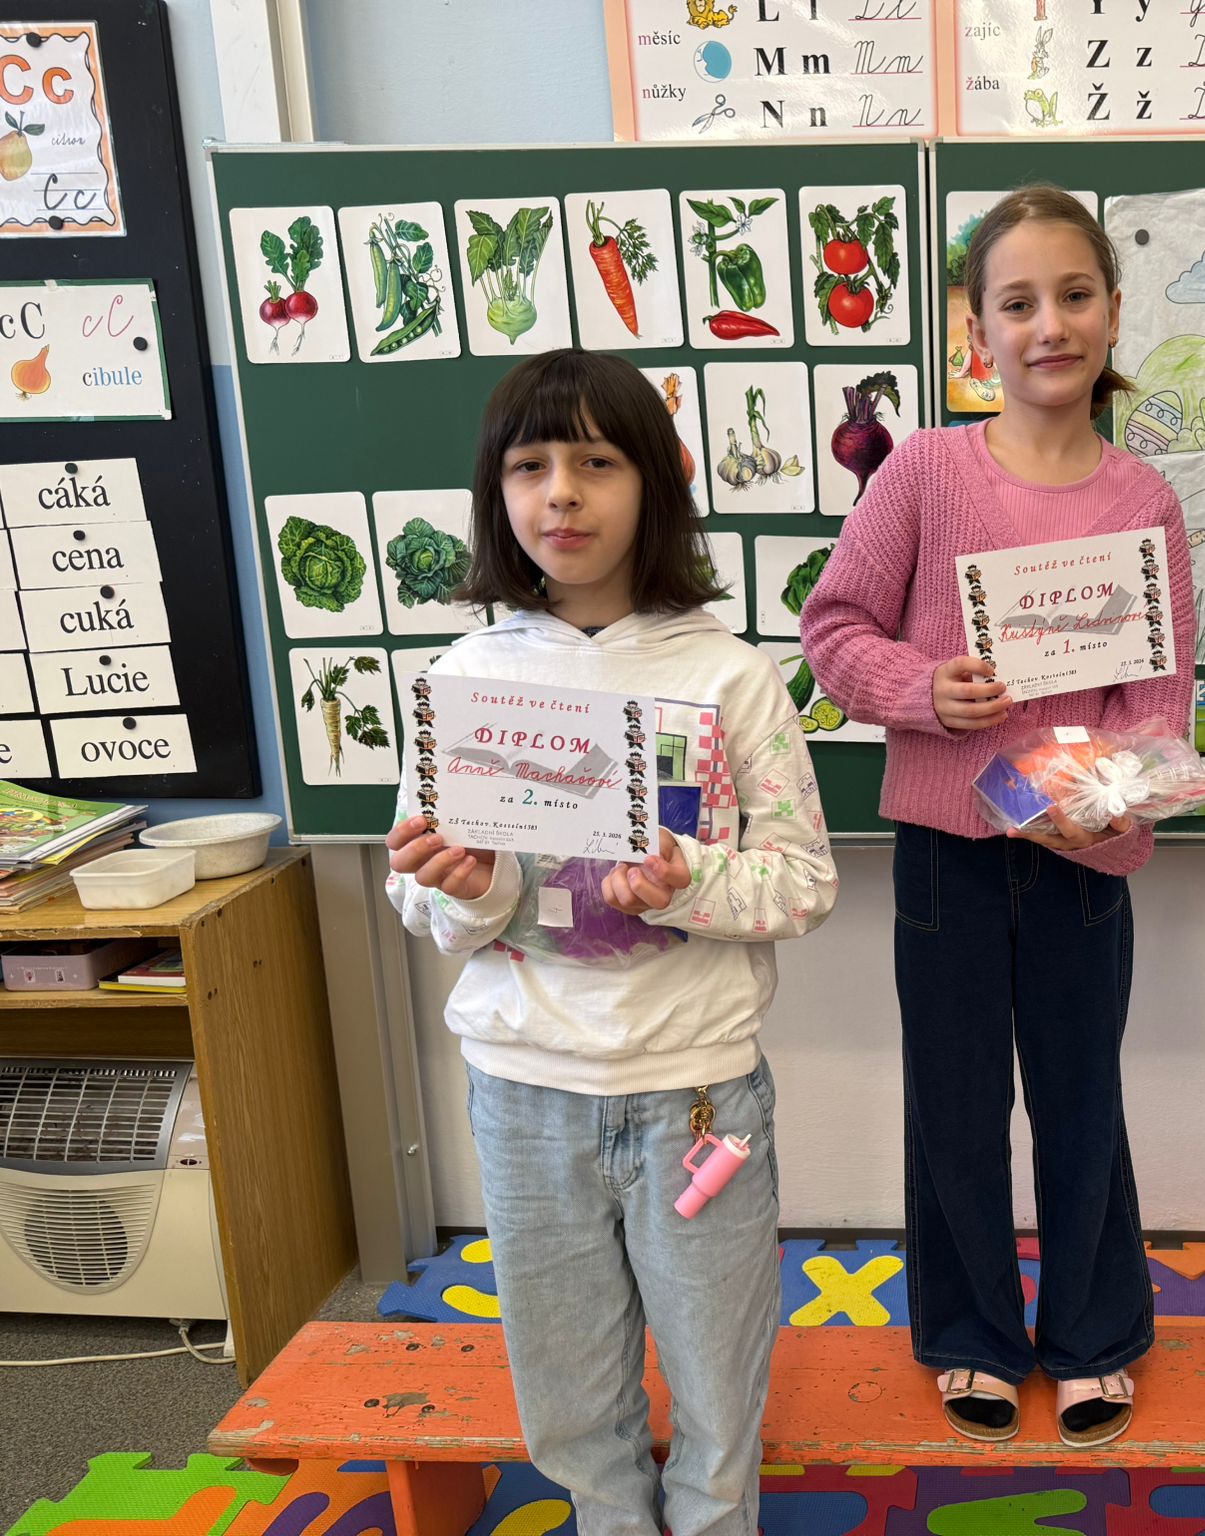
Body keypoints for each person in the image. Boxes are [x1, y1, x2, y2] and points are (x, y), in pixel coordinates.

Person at [385, 348, 838, 1536]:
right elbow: (427, 910)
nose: (561, 495)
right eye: (529, 467)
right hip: (524, 1092)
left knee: (717, 1384)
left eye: (596, 462)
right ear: (496, 493)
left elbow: (803, 881)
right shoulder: (466, 678)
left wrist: (689, 886)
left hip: (695, 1095)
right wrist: (470, 889)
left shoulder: (728, 676)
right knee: (569, 1396)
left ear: (653, 484)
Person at [801, 184, 1195, 1450]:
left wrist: (1109, 804)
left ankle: (1090, 1337)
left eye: (1073, 296)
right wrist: (923, 691)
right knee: (955, 1106)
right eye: (1016, 303)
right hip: (946, 857)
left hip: (1080, 861)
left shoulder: (1143, 500)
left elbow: (1157, 702)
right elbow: (831, 632)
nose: (1048, 325)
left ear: (1112, 312)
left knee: (1081, 1101)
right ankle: (970, 1334)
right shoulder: (924, 470)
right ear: (977, 331)